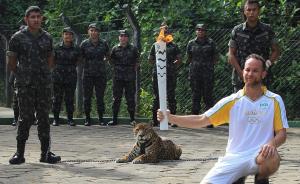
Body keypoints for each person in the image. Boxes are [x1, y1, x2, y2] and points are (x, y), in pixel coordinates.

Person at [157, 54, 288, 183]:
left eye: (255, 71)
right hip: (234, 158)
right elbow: (201, 119)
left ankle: (261, 180)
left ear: (263, 74)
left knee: (272, 158)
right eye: (247, 70)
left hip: (260, 156)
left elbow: (281, 134)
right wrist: (170, 118)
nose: (250, 73)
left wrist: (271, 144)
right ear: (242, 72)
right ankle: (238, 177)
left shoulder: (274, 100)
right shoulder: (232, 101)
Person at [7, 6, 61, 164]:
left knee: (44, 118)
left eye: (38, 16)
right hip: (25, 85)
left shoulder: (47, 37)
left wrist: (42, 73)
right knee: (25, 118)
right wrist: (23, 75)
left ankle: (46, 153)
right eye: (32, 17)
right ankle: (19, 153)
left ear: (42, 18)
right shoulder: (17, 38)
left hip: (43, 84)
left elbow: (51, 60)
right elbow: (11, 63)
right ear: (26, 19)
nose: (36, 19)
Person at [228, 0, 280, 93]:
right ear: (244, 11)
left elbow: (276, 50)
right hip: (241, 78)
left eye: (254, 10)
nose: (251, 12)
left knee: (263, 105)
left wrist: (267, 63)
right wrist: (241, 73)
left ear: (259, 11)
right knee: (240, 105)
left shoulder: (267, 30)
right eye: (248, 10)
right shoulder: (237, 30)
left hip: (262, 77)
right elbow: (231, 54)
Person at [149, 24, 181, 127]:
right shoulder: (156, 45)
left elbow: (179, 59)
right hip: (158, 74)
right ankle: (155, 120)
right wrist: (159, 65)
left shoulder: (174, 46)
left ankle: (173, 120)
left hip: (170, 74)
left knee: (171, 96)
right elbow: (150, 59)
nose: (164, 33)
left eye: (166, 31)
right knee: (157, 97)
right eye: (162, 31)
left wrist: (171, 66)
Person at [186, 24, 218, 128]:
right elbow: (189, 58)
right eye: (198, 30)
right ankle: (194, 120)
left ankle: (209, 121)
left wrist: (207, 66)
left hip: (207, 74)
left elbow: (215, 58)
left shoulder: (211, 43)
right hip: (195, 74)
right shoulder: (191, 43)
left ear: (205, 31)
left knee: (208, 96)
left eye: (203, 30)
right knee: (195, 96)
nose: (200, 31)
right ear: (196, 31)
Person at [107, 29, 139, 126]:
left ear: (128, 38)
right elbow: (110, 61)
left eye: (125, 36)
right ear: (119, 37)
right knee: (116, 98)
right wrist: (117, 68)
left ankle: (132, 119)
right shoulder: (115, 49)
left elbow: (137, 62)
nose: (123, 38)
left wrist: (132, 70)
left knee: (130, 99)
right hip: (118, 77)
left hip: (129, 77)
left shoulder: (133, 49)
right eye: (121, 36)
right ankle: (114, 119)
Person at [80, 23, 110, 126]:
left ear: (99, 32)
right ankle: (87, 118)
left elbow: (108, 56)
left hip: (100, 74)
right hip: (88, 74)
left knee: (100, 97)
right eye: (91, 30)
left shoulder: (104, 43)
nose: (94, 32)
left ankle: (101, 118)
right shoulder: (84, 44)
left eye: (96, 30)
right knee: (87, 97)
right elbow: (80, 58)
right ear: (88, 32)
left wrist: (102, 62)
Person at [52, 27, 80, 126]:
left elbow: (78, 61)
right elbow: (52, 61)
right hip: (58, 76)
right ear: (62, 35)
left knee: (69, 98)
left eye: (70, 34)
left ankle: (70, 119)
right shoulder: (56, 47)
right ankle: (56, 119)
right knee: (57, 98)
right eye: (66, 34)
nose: (68, 36)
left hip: (71, 76)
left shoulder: (76, 48)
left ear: (72, 36)